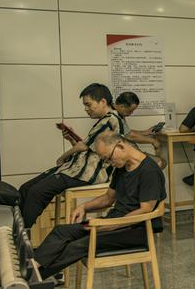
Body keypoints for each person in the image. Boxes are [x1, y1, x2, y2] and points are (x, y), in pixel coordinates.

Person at [33, 132, 165, 289]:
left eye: (108, 158)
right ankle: (32, 267)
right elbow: (108, 199)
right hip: (114, 224)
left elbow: (146, 210)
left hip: (136, 229)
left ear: (120, 146)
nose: (108, 163)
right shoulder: (122, 167)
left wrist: (111, 225)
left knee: (79, 245)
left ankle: (30, 282)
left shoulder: (149, 171)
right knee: (62, 232)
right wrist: (84, 206)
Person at [18, 83, 125, 230]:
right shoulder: (106, 120)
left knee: (36, 192)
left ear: (103, 102)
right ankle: (15, 230)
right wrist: (72, 139)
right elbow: (88, 147)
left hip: (88, 174)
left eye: (88, 104)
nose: (86, 109)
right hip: (76, 168)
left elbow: (83, 147)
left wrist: (62, 157)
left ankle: (22, 235)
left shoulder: (110, 120)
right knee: (25, 188)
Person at [114, 92, 164, 162]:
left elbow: (127, 132)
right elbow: (130, 136)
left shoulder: (119, 114)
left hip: (129, 150)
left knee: (159, 162)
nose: (131, 113)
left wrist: (146, 132)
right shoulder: (113, 116)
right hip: (123, 154)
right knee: (159, 162)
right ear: (122, 106)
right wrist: (152, 141)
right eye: (130, 111)